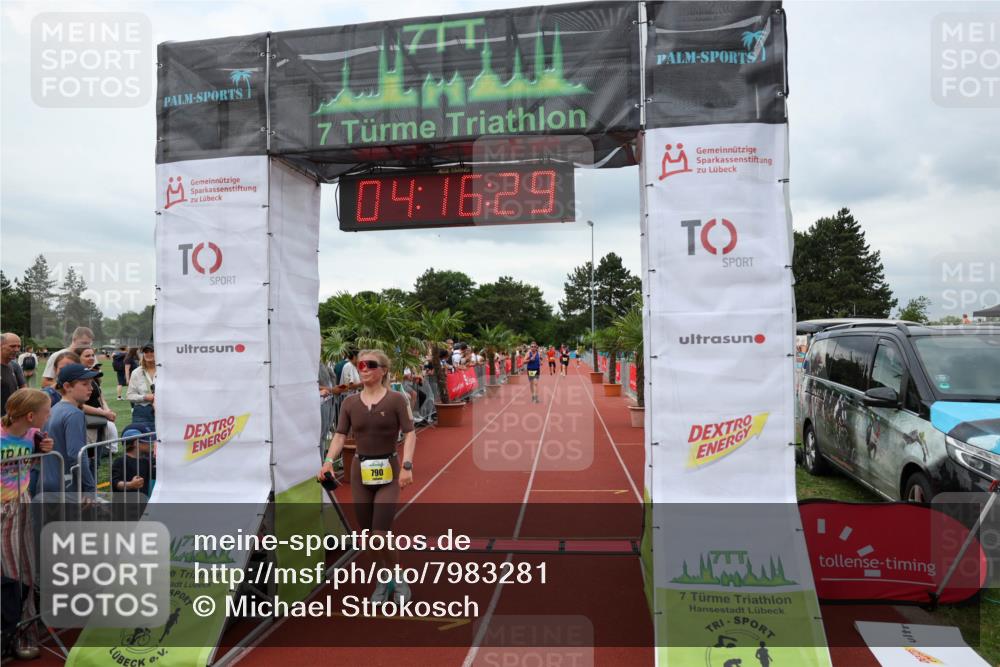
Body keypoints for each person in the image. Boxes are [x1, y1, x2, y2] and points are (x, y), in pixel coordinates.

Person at [318, 349, 416, 603]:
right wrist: (328, 461)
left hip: (389, 470)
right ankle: (383, 580)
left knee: (380, 534)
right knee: (367, 537)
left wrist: (407, 465)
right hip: (360, 472)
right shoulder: (350, 403)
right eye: (361, 365)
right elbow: (340, 435)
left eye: (370, 365)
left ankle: (398, 577)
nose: (364, 368)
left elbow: (410, 433)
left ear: (383, 370)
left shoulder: (395, 399)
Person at [1, 389, 53, 660]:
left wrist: (44, 449)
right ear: (31, 415)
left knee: (25, 571)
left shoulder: (34, 435)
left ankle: (23, 633)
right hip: (3, 509)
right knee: (10, 573)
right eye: (46, 412)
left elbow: (28, 464)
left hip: (21, 504)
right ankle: (9, 634)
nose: (49, 416)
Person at [41, 364, 97, 495]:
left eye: (91, 383)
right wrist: (90, 486)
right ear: (67, 386)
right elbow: (77, 455)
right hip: (66, 483)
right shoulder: (74, 414)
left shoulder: (54, 409)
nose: (91, 388)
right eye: (84, 384)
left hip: (47, 480)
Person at [74, 347, 119, 446]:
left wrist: (107, 411)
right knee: (90, 451)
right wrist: (104, 413)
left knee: (98, 450)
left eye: (92, 355)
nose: (91, 358)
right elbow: (77, 404)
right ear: (78, 358)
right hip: (87, 421)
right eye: (87, 356)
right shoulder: (75, 377)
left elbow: (100, 395)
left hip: (98, 417)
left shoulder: (91, 374)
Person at [111, 424, 156, 496]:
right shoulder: (120, 461)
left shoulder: (146, 461)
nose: (151, 443)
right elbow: (115, 483)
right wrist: (130, 484)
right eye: (148, 440)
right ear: (136, 443)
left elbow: (157, 474)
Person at [126, 344, 156, 425]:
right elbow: (129, 395)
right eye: (146, 352)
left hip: (163, 411)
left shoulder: (164, 371)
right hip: (142, 412)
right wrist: (144, 397)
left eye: (152, 351)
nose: (149, 354)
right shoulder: (136, 372)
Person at [1, 334, 24, 418]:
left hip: (12, 416)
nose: (17, 349)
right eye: (12, 346)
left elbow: (24, 389)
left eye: (19, 346)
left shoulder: (15, 366)